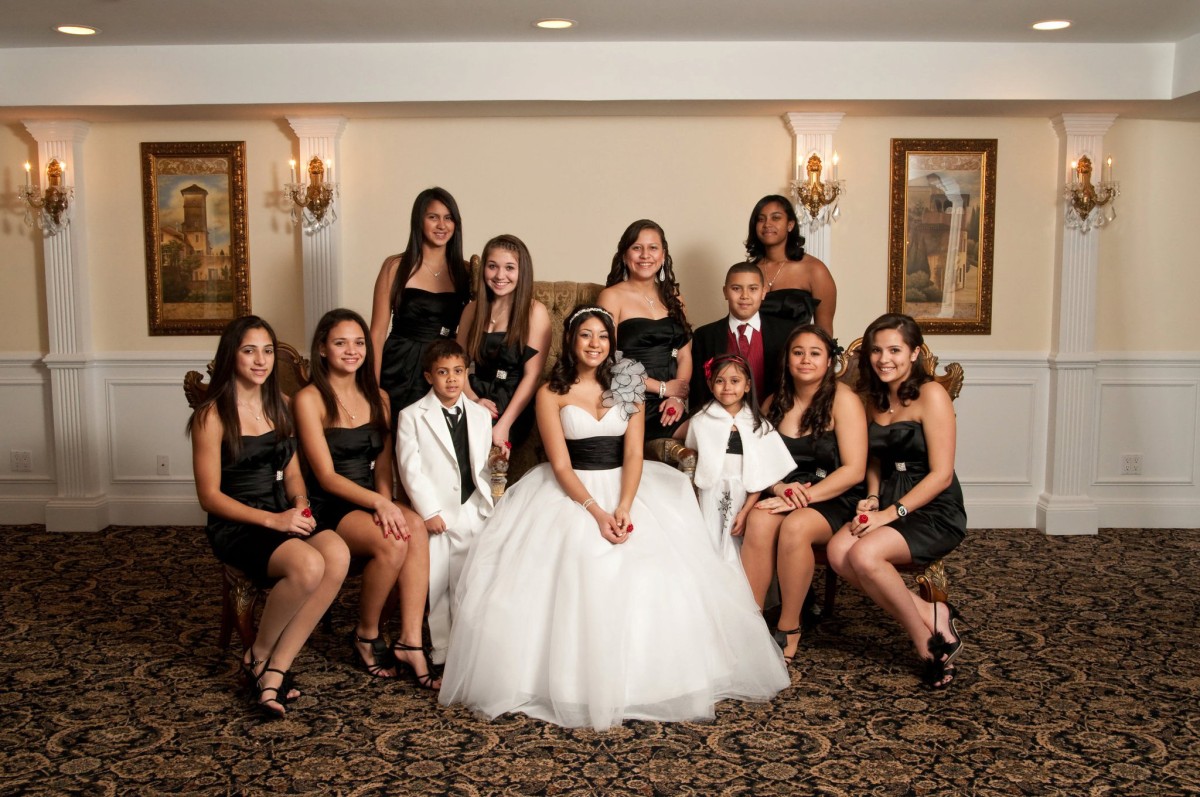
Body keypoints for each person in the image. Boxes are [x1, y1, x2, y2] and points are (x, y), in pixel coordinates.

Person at [439, 306, 789, 730]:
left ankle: (653, 676)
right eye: (586, 335)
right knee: (580, 560)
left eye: (603, 336)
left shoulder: (628, 385)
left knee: (657, 570)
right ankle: (567, 682)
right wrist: (596, 511)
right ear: (572, 341)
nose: (595, 344)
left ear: (612, 343)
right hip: (572, 491)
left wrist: (624, 506)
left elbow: (634, 453)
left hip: (628, 486)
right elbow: (560, 464)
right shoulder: (552, 391)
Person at [188, 316, 349, 718]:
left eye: (267, 351)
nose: (261, 360)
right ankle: (259, 654)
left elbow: (292, 474)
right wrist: (274, 521)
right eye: (249, 351)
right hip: (239, 523)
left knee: (337, 553)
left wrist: (300, 504)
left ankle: (277, 665)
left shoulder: (282, 405)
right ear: (232, 355)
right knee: (308, 565)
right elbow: (209, 497)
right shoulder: (212, 415)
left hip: (282, 511)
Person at [293, 309, 437, 688]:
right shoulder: (309, 399)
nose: (352, 350)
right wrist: (380, 505)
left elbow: (384, 466)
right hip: (330, 502)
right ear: (322, 349)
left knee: (414, 526)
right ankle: (366, 634)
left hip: (372, 497)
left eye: (359, 343)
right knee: (393, 540)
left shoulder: (380, 397)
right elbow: (325, 476)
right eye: (340, 343)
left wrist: (386, 501)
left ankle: (410, 640)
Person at [825, 313, 967, 688]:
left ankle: (925, 643)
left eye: (894, 350)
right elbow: (875, 458)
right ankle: (930, 612)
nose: (884, 359)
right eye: (876, 351)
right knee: (838, 553)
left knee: (864, 555)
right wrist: (873, 496)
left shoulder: (932, 395)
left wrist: (891, 513)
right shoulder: (874, 398)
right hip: (888, 497)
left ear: (914, 353)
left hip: (932, 506)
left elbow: (942, 475)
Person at [741, 325, 867, 664]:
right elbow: (760, 461)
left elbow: (854, 470)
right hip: (788, 491)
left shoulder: (844, 400)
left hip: (834, 494)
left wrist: (801, 499)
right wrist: (779, 488)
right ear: (788, 359)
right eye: (798, 352)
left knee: (796, 526)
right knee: (759, 519)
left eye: (815, 353)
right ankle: (751, 622)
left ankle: (790, 624)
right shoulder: (774, 402)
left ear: (829, 361)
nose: (805, 360)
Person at [396, 339, 496, 666]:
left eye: (458, 371)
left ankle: (472, 646)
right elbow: (410, 469)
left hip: (474, 505)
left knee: (473, 579)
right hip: (438, 511)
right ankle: (442, 650)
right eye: (443, 372)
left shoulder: (480, 415)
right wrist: (429, 511)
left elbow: (480, 463)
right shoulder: (412, 416)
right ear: (429, 376)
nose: (452, 379)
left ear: (466, 373)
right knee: (439, 583)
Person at [370, 187, 470, 426]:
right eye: (433, 217)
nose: (442, 225)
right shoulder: (395, 266)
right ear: (419, 221)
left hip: (443, 367)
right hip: (400, 364)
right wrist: (372, 389)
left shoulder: (465, 271)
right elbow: (377, 333)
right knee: (397, 434)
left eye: (448, 218)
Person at [684, 353, 794, 567]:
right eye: (719, 381)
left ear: (747, 385)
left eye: (735, 381)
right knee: (707, 546)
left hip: (743, 496)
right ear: (710, 385)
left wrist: (745, 511)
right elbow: (692, 463)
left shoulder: (758, 426)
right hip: (709, 495)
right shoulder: (700, 421)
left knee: (735, 550)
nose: (727, 387)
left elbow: (759, 476)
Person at [597, 219, 691, 447]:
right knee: (708, 432)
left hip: (670, 402)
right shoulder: (611, 297)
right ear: (624, 255)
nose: (645, 255)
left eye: (653, 248)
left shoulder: (674, 297)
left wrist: (676, 396)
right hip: (632, 399)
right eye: (637, 248)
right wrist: (662, 388)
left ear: (663, 254)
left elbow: (684, 354)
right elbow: (606, 360)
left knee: (721, 428)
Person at [456, 234, 552, 452]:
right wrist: (472, 400)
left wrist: (504, 425)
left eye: (509, 268)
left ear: (522, 271)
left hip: (510, 404)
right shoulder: (472, 309)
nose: (500, 275)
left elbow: (532, 376)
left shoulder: (534, 312)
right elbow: (458, 365)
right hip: (471, 395)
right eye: (492, 266)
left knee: (476, 444)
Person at [688, 262, 794, 410]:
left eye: (753, 289)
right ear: (725, 292)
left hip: (773, 417)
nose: (745, 296)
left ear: (763, 292)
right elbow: (698, 392)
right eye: (736, 288)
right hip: (721, 420)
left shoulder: (786, 332)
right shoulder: (704, 336)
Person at [745, 195, 837, 336]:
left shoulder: (814, 270)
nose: (767, 224)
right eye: (761, 219)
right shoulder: (749, 272)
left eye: (775, 218)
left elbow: (825, 332)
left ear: (790, 225)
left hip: (796, 350)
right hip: (751, 350)